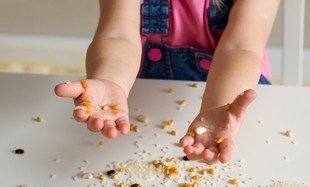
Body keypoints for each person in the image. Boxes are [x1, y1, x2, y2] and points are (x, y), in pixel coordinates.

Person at [54, 0, 279, 165]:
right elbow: (117, 35)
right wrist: (110, 79)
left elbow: (241, 47)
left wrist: (220, 104)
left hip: (233, 88)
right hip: (143, 92)